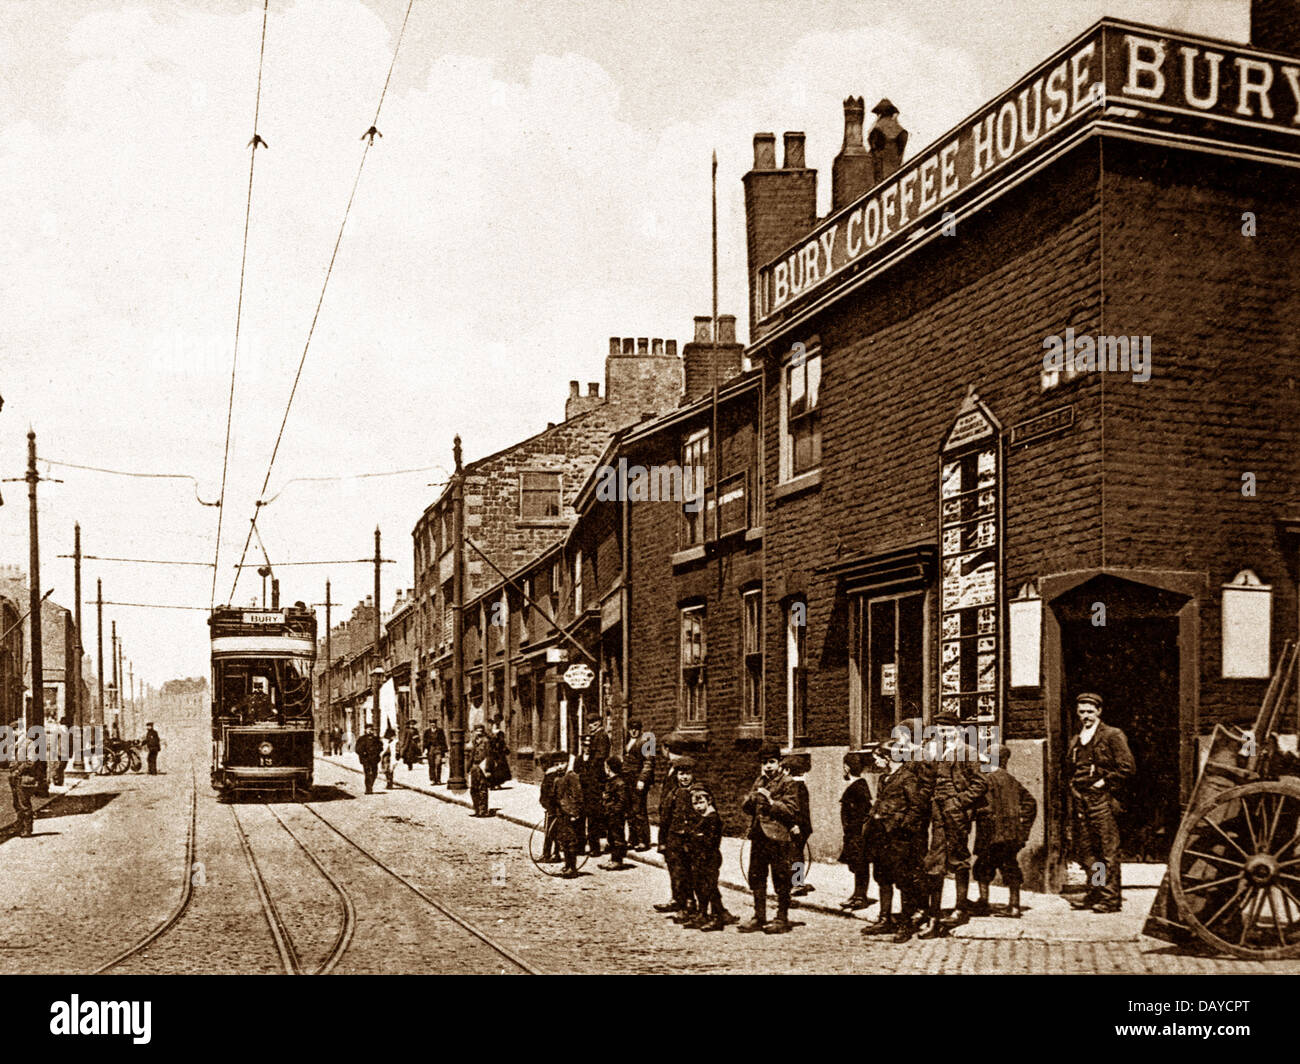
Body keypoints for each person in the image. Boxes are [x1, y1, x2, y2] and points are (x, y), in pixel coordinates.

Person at [916, 713, 987, 937]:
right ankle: (934, 913)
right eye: (940, 730)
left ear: (958, 730)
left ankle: (960, 908)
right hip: (937, 812)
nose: (944, 734)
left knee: (958, 858)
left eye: (948, 730)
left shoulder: (968, 752)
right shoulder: (935, 753)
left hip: (957, 813)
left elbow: (980, 784)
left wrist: (958, 802)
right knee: (934, 860)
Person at [1065, 692, 1135, 913]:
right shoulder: (1076, 739)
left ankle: (1110, 898)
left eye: (1089, 711)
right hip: (1081, 800)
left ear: (1099, 712)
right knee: (1088, 850)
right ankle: (1095, 892)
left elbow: (1127, 768)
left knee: (1107, 849)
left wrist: (1104, 782)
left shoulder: (1112, 735)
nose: (1085, 716)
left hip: (1103, 800)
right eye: (1082, 712)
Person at [860, 737, 931, 942]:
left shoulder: (907, 777)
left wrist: (902, 826)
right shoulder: (884, 779)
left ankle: (905, 925)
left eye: (878, 758)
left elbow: (917, 807)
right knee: (882, 878)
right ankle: (885, 919)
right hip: (881, 837)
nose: (876, 762)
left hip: (899, 839)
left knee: (903, 881)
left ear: (888, 757)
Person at [739, 744, 800, 935]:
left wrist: (771, 801)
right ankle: (759, 916)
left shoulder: (788, 782)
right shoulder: (760, 780)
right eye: (764, 763)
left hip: (778, 836)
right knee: (757, 875)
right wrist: (750, 799)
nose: (768, 767)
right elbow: (748, 807)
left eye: (772, 762)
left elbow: (791, 810)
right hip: (759, 836)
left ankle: (782, 918)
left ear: (780, 762)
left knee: (781, 876)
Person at [970, 743, 1037, 918]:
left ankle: (990, 903)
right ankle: (1011, 905)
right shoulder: (1011, 779)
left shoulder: (985, 778)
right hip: (1010, 834)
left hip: (990, 833)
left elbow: (977, 803)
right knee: (1008, 866)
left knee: (984, 867)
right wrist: (1022, 829)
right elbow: (1031, 803)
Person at [654, 755, 698, 917]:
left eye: (687, 774)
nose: (684, 777)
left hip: (691, 839)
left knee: (690, 872)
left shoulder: (698, 792)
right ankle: (678, 900)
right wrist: (662, 843)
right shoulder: (673, 793)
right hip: (674, 839)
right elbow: (665, 820)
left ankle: (689, 903)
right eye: (681, 774)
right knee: (676, 870)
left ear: (693, 775)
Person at [686, 787, 733, 931]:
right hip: (699, 857)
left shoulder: (712, 818)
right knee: (699, 886)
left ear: (709, 801)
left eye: (701, 803)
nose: (698, 806)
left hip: (710, 857)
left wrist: (695, 837)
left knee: (710, 886)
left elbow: (709, 841)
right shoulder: (700, 817)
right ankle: (703, 913)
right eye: (695, 804)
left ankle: (717, 917)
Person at [838, 751, 873, 911]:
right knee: (857, 865)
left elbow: (862, 813)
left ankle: (861, 897)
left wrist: (854, 831)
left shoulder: (858, 786)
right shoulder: (858, 785)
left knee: (860, 865)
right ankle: (857, 894)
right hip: (854, 833)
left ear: (847, 767)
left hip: (858, 834)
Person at [622, 719, 655, 851]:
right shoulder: (628, 741)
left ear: (640, 729)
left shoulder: (646, 741)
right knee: (629, 811)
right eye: (631, 728)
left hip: (638, 780)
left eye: (636, 728)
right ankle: (632, 839)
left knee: (639, 810)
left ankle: (643, 841)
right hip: (628, 779)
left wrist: (642, 779)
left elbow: (648, 763)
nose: (633, 731)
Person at [784, 752, 814, 896]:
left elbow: (795, 809)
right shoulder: (801, 785)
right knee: (796, 853)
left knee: (794, 854)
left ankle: (797, 883)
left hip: (797, 826)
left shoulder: (794, 786)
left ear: (788, 770)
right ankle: (796, 881)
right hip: (803, 826)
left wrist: (793, 825)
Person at [599, 756, 632, 871]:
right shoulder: (611, 781)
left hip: (616, 815)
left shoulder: (619, 783)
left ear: (608, 768)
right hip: (609, 814)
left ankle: (617, 860)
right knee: (611, 837)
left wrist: (614, 811)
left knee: (617, 837)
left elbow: (622, 801)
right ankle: (613, 859)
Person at [576, 733, 605, 856]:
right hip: (581, 795)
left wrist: (601, 791)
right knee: (579, 822)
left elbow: (602, 777)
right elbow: (575, 777)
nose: (587, 748)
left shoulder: (596, 760)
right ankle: (580, 847)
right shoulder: (578, 760)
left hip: (593, 795)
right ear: (582, 746)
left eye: (589, 745)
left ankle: (594, 848)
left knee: (594, 822)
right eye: (585, 745)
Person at [556, 752, 584, 877]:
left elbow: (578, 796)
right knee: (563, 840)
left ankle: (572, 868)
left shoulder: (572, 777)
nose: (559, 766)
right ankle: (567, 864)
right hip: (561, 813)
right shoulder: (558, 778)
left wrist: (575, 812)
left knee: (571, 840)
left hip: (570, 813)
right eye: (557, 764)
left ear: (568, 763)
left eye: (562, 763)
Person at [8, 723, 37, 838]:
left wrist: (18, 770)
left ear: (19, 730)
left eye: (14, 731)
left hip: (24, 778)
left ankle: (27, 829)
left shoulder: (29, 743)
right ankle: (19, 827)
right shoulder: (16, 744)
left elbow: (31, 762)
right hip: (15, 778)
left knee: (24, 804)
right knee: (17, 804)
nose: (13, 734)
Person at [538, 752, 564, 862]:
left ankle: (547, 854)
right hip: (554, 808)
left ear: (545, 764)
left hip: (552, 809)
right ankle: (555, 854)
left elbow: (550, 794)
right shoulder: (555, 775)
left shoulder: (550, 776)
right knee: (555, 832)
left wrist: (546, 804)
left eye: (541, 765)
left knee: (549, 833)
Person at [355, 724, 382, 794]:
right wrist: (363, 753)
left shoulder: (376, 739)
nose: (370, 731)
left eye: (371, 729)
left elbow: (380, 747)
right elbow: (357, 749)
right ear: (365, 730)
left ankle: (371, 785)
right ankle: (368, 788)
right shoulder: (362, 739)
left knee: (374, 773)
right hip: (366, 759)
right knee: (367, 774)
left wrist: (377, 752)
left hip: (374, 758)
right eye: (368, 729)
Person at [488, 716, 512, 788]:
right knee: (493, 768)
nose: (497, 723)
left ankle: (497, 783)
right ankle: (492, 784)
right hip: (494, 753)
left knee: (499, 769)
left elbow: (502, 742)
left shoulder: (500, 732)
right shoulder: (491, 733)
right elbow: (490, 743)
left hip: (499, 753)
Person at [469, 742, 492, 816]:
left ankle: (483, 810)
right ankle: (477, 809)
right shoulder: (475, 743)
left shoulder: (486, 743)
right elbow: (471, 757)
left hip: (482, 767)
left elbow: (489, 756)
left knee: (482, 789)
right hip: (474, 768)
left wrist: (488, 769)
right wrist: (468, 768)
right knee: (473, 789)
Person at [423, 719, 447, 785]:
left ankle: (438, 779)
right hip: (430, 749)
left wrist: (445, 751)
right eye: (431, 724)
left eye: (434, 723)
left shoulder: (440, 731)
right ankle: (433, 779)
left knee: (438, 764)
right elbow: (424, 741)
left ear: (436, 724)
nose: (432, 725)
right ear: (430, 724)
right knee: (431, 764)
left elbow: (443, 740)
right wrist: (424, 749)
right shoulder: (427, 732)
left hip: (438, 748)